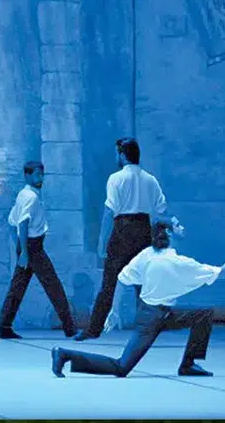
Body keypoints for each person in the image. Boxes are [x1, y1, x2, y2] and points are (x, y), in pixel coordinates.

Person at [53, 223, 225, 378]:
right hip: (151, 319)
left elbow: (122, 278)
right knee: (122, 367)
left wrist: (115, 310)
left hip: (157, 313)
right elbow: (222, 273)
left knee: (203, 314)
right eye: (177, 225)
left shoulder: (147, 254)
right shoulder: (178, 262)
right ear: (168, 232)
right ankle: (64, 354)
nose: (183, 227)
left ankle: (188, 364)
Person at [77, 137, 181, 340]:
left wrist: (102, 242)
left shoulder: (116, 179)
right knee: (143, 283)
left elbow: (109, 212)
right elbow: (162, 211)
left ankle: (93, 329)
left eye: (117, 153)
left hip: (122, 230)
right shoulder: (150, 179)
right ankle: (150, 329)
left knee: (109, 283)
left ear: (122, 155)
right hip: (143, 230)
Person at [0, 161, 76, 339]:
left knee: (17, 287)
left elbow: (11, 221)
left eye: (42, 175)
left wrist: (18, 246)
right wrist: (24, 252)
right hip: (33, 248)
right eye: (36, 175)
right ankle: (70, 328)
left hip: (28, 246)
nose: (40, 178)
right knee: (53, 285)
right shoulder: (31, 198)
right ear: (27, 175)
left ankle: (4, 326)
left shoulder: (24, 194)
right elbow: (22, 223)